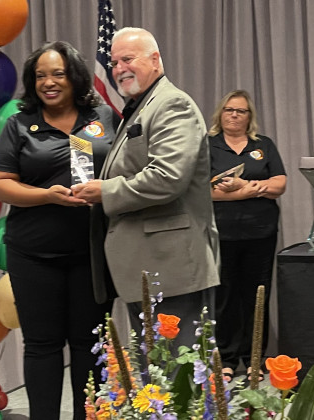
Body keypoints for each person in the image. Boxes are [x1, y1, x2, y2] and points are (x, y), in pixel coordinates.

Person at [0, 41, 119, 420]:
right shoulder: (19, 124)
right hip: (34, 256)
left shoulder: (102, 118)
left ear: (74, 77)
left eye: (57, 73)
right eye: (40, 75)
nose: (48, 82)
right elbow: (0, 184)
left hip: (92, 254)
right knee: (42, 346)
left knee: (88, 346)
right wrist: (47, 196)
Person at [72, 27, 220, 350]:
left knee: (180, 381)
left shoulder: (172, 104)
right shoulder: (140, 107)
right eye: (113, 63)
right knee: (156, 382)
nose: (119, 68)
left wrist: (105, 192)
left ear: (155, 60)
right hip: (147, 269)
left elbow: (168, 177)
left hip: (172, 270)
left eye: (127, 59)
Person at [207, 90, 287, 382]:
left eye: (241, 111)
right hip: (222, 233)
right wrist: (250, 191)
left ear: (249, 116)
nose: (234, 115)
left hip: (260, 233)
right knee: (225, 297)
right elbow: (205, 192)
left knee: (257, 295)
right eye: (229, 110)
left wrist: (243, 185)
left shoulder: (263, 145)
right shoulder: (208, 145)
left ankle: (255, 358)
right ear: (220, 113)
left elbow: (280, 183)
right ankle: (226, 359)